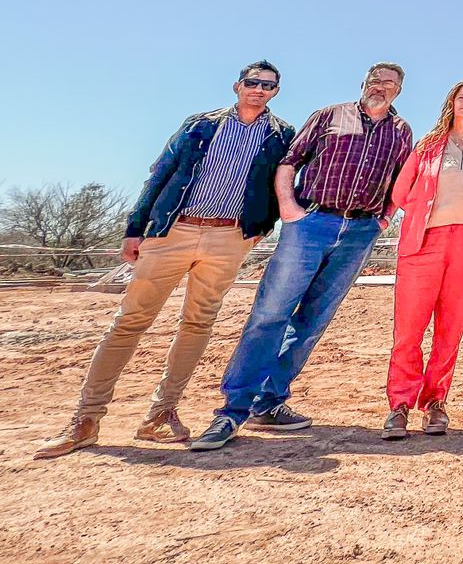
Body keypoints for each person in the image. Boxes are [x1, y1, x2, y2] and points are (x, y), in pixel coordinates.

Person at [35, 62, 296, 459]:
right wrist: (135, 228)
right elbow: (160, 174)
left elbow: (283, 182)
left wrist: (261, 226)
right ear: (237, 86)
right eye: (252, 83)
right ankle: (85, 419)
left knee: (197, 324)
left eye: (267, 85)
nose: (258, 89)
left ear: (276, 92)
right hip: (174, 230)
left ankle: (161, 413)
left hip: (229, 237)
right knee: (129, 322)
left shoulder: (281, 136)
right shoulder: (200, 126)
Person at [192, 63, 413, 451]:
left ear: (399, 91)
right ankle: (232, 409)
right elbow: (290, 161)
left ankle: (271, 402)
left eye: (390, 84)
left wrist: (382, 219)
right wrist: (290, 209)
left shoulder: (402, 131)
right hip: (312, 221)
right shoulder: (330, 115)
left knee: (313, 320)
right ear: (364, 83)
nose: (382, 87)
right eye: (376, 80)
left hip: (359, 230)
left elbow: (400, 180)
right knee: (271, 315)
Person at [381, 79, 463, 439]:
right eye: (462, 97)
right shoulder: (428, 144)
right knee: (408, 329)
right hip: (424, 242)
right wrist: (426, 212)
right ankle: (400, 405)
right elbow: (401, 191)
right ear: (451, 103)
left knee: (450, 329)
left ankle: (436, 402)